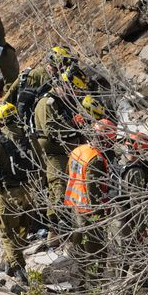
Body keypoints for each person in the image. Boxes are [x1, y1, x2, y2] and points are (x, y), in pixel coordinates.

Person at [33, 64, 89, 243]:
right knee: (58, 190)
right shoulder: (47, 103)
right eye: (75, 90)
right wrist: (73, 124)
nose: (77, 95)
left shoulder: (66, 101)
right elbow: (52, 130)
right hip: (54, 153)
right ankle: (58, 232)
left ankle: (56, 234)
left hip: (69, 151)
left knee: (66, 191)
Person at [0, 102, 42, 285]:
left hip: (7, 191)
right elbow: (39, 160)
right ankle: (9, 263)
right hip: (29, 188)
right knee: (22, 227)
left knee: (6, 232)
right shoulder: (28, 135)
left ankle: (18, 267)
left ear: (0, 121)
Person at [64, 122, 116, 283]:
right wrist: (105, 210)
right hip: (91, 213)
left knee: (80, 250)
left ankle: (80, 286)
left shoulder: (78, 151)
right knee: (96, 254)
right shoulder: (96, 160)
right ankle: (93, 290)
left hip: (75, 207)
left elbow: (67, 175)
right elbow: (94, 194)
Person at [4, 45, 76, 123]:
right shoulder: (40, 76)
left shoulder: (32, 73)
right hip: (34, 119)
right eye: (66, 62)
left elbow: (9, 93)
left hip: (32, 118)